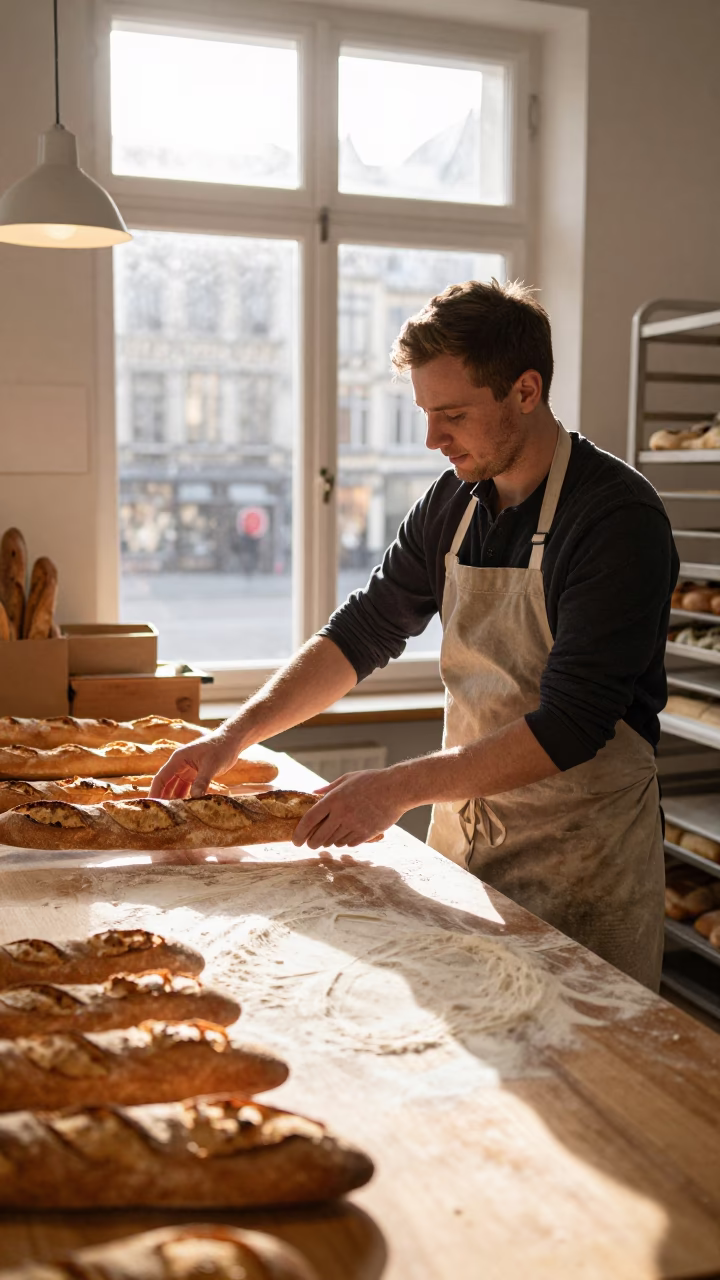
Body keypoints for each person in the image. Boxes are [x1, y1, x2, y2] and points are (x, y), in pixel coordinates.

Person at [151, 280, 678, 989]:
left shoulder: (615, 519)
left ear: (526, 391)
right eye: (427, 414)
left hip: (585, 861)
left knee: (588, 1074)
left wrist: (395, 787)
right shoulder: (453, 501)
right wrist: (231, 737)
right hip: (467, 839)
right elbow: (364, 631)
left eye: (452, 414)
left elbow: (573, 725)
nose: (432, 439)